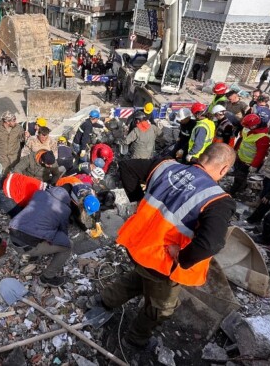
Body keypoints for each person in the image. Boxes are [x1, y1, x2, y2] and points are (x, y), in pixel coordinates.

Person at [89, 144, 237, 351]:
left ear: (202, 157)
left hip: (138, 245)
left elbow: (127, 166)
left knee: (142, 276)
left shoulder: (166, 166)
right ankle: (135, 339)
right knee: (162, 308)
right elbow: (211, 244)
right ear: (224, 169)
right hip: (163, 261)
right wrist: (182, 258)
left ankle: (105, 300)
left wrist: (139, 201)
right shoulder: (218, 200)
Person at [9, 186, 73, 287]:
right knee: (67, 246)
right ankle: (47, 278)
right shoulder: (65, 209)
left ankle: (32, 257)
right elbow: (63, 231)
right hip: (27, 244)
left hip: (12, 233)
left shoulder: (39, 193)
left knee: (38, 228)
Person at [229, 114, 270, 196]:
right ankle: (240, 188)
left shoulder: (262, 137)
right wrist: (235, 150)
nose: (246, 128)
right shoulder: (247, 128)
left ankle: (233, 192)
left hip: (248, 162)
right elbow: (242, 140)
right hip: (241, 157)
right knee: (238, 176)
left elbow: (261, 153)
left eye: (248, 126)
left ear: (255, 125)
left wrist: (254, 166)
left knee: (239, 179)